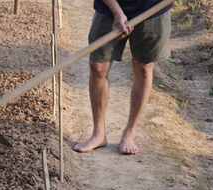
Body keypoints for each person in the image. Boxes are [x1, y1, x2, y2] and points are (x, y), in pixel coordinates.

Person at [73, 0, 172, 155]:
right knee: (98, 67)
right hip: (109, 8)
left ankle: (130, 133)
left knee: (144, 68)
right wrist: (117, 12)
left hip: (153, 7)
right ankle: (99, 134)